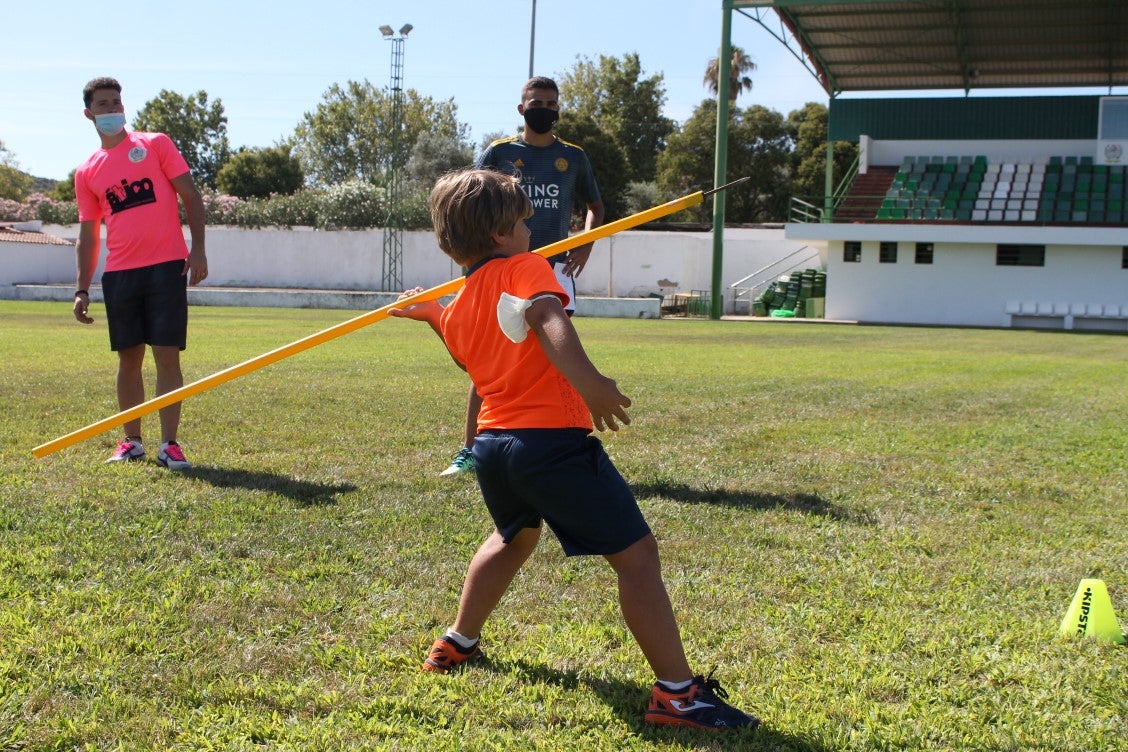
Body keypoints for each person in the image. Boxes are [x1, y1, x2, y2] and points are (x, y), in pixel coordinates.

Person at [390, 168, 757, 731]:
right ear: (499, 235)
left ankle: (455, 643)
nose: (531, 229)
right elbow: (544, 315)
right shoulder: (525, 268)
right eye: (521, 221)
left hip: (493, 448)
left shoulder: (459, 302)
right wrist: (592, 385)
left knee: (514, 538)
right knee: (637, 560)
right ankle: (678, 697)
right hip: (549, 445)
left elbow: (472, 362)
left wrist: (434, 317)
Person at [439, 75, 604, 477]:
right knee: (491, 358)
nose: (543, 109)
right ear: (521, 108)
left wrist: (585, 242)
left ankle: (550, 440)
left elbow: (595, 205)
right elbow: (468, 198)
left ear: (558, 109)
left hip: (553, 266)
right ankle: (472, 448)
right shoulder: (500, 151)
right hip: (499, 266)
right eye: (536, 102)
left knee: (549, 355)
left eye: (550, 103)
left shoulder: (574, 157)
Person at [72, 76, 208, 469]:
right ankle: (132, 442)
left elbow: (191, 195)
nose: (112, 109)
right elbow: (88, 235)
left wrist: (197, 248)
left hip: (166, 267)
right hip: (120, 274)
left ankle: (170, 444)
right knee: (128, 359)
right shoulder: (87, 172)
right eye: (103, 105)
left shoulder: (155, 144)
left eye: (117, 102)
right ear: (89, 114)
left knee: (167, 355)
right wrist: (82, 289)